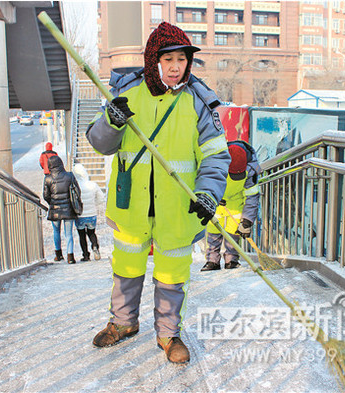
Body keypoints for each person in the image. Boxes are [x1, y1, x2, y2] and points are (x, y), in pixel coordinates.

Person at [86, 22, 230, 364]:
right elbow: (98, 142)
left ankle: (168, 335)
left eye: (182, 59)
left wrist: (208, 194)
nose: (176, 66)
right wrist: (112, 120)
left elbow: (216, 155)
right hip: (131, 205)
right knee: (126, 266)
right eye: (169, 59)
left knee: (171, 274)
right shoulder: (126, 94)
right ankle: (122, 323)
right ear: (154, 60)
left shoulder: (198, 102)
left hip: (177, 209)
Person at [201, 140, 261, 271]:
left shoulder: (251, 170)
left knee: (234, 232)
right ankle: (212, 261)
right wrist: (215, 195)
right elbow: (206, 181)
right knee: (212, 231)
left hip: (236, 202)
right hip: (217, 201)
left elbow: (252, 196)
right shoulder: (215, 162)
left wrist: (247, 221)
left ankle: (231, 260)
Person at [43, 155, 80, 264]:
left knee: (56, 231)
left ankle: (58, 254)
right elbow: (77, 191)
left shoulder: (48, 178)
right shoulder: (69, 175)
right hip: (68, 209)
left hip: (55, 209)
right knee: (69, 234)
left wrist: (52, 203)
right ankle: (70, 257)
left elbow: (46, 195)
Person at [72, 163, 105, 261]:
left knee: (82, 235)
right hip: (92, 214)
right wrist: (94, 204)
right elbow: (101, 198)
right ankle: (95, 246)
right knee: (91, 233)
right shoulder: (92, 185)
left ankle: (86, 255)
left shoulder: (74, 186)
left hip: (80, 215)